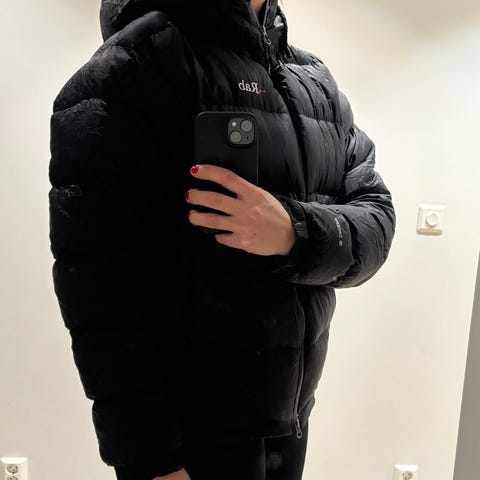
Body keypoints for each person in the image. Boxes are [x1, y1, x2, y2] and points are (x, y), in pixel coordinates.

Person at [48, 0, 396, 479]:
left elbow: (377, 219)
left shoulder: (314, 83)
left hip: (292, 415)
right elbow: (97, 287)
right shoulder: (131, 67)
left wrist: (292, 232)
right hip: (188, 438)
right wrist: (150, 459)